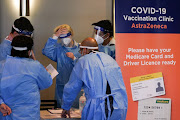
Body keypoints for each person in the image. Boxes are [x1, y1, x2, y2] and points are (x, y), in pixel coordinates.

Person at [61, 37, 127, 120]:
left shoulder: (83, 61)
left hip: (98, 106)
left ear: (84, 50)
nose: (81, 53)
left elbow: (72, 87)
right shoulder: (110, 59)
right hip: (118, 104)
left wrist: (66, 107)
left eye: (80, 50)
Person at [0, 35, 53, 120]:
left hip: (6, 114)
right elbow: (47, 83)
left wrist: (1, 103)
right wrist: (35, 61)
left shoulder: (2, 65)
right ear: (29, 51)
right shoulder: (35, 66)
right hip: (28, 115)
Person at [42, 24, 81, 108]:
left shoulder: (80, 49)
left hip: (77, 87)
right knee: (61, 110)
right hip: (62, 86)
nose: (64, 39)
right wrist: (55, 37)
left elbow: (84, 67)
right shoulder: (59, 48)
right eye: (61, 37)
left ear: (71, 34)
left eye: (65, 36)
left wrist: (74, 58)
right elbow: (46, 51)